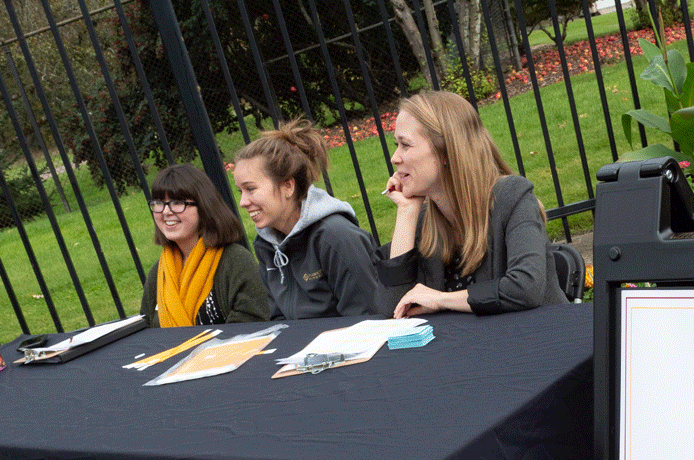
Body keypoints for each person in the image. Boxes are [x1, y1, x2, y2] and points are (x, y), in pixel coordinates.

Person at [380, 90, 567, 318]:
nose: (395, 157)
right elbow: (393, 310)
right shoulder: (424, 220)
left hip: (542, 341)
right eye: (396, 144)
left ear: (446, 151)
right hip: (474, 347)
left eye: (405, 145)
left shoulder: (512, 197)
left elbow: (526, 288)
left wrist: (441, 300)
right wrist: (406, 212)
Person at [233, 120, 386, 319]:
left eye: (251, 189)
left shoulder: (337, 238)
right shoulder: (266, 244)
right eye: (240, 192)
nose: (243, 202)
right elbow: (278, 319)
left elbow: (367, 319)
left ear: (288, 186)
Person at [140, 164, 270, 327]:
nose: (166, 211)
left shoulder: (235, 262)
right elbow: (145, 334)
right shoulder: (159, 273)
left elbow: (250, 326)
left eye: (178, 202)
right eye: (159, 203)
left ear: (204, 206)